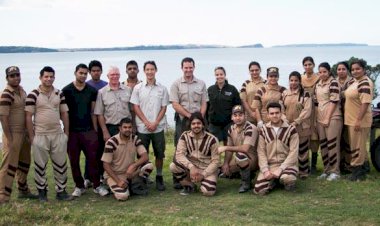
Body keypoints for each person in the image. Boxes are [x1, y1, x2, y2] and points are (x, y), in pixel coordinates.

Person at [25, 66, 72, 202]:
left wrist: (66, 133)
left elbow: (64, 113)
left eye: (51, 76)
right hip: (40, 135)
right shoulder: (33, 94)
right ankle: (42, 193)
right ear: (40, 78)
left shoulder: (59, 93)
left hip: (57, 134)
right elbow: (28, 116)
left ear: (54, 77)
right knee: (40, 166)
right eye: (46, 76)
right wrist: (32, 136)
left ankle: (61, 192)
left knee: (61, 165)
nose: (49, 79)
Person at [62, 64, 109, 197]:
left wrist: (95, 130)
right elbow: (63, 112)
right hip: (72, 131)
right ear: (75, 73)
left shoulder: (92, 91)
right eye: (80, 73)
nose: (83, 75)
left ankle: (97, 185)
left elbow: (93, 112)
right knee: (74, 160)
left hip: (88, 130)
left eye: (85, 73)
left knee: (93, 159)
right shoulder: (66, 90)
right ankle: (79, 186)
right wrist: (65, 130)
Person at [130, 61, 169, 191]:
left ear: (156, 70)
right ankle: (143, 177)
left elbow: (164, 107)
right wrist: (146, 122)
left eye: (152, 69)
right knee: (142, 155)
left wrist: (156, 122)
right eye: (147, 69)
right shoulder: (138, 88)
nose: (150, 72)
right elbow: (136, 107)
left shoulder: (162, 88)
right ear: (144, 71)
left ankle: (159, 176)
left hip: (157, 127)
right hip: (142, 127)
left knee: (159, 153)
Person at [169, 57, 208, 189]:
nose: (188, 70)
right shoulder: (176, 84)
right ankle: (178, 178)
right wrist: (189, 116)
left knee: (200, 146)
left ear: (194, 67)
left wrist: (200, 118)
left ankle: (202, 175)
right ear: (182, 68)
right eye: (186, 67)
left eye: (190, 67)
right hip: (183, 119)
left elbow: (204, 102)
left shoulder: (201, 83)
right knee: (180, 148)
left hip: (199, 119)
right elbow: (174, 103)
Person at [0, 66, 37, 204]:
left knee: (24, 162)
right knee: (9, 164)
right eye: (12, 75)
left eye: (17, 75)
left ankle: (23, 189)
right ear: (7, 78)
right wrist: (9, 138)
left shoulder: (21, 91)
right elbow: (3, 118)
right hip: (13, 134)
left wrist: (29, 131)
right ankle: (3, 195)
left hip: (24, 132)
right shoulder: (6, 94)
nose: (15, 77)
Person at [101, 118, 153, 201]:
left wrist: (134, 165)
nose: (127, 129)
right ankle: (115, 186)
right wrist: (118, 181)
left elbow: (145, 156)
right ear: (120, 128)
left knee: (149, 165)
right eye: (125, 127)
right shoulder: (111, 142)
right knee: (123, 196)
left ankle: (134, 185)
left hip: (129, 172)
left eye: (129, 127)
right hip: (115, 174)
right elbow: (105, 165)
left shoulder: (135, 139)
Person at [169, 112, 220, 196]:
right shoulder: (184, 136)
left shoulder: (212, 139)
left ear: (203, 125)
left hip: (206, 168)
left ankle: (204, 182)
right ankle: (190, 185)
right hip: (191, 168)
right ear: (190, 125)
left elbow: (216, 161)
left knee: (208, 192)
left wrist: (203, 175)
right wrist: (191, 167)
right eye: (193, 123)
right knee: (173, 166)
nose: (196, 126)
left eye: (199, 123)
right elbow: (179, 155)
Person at [253, 102, 299, 195]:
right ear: (268, 115)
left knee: (288, 178)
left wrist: (281, 169)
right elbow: (261, 152)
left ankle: (281, 180)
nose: (275, 115)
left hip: (287, 165)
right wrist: (265, 170)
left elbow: (294, 153)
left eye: (277, 113)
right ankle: (274, 180)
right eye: (272, 113)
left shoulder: (291, 129)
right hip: (270, 165)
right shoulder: (264, 130)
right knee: (259, 189)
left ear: (281, 113)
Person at [218, 105, 259, 193]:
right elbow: (229, 150)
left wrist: (225, 147)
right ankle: (242, 174)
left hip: (253, 159)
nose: (238, 118)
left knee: (240, 157)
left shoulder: (251, 128)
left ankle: (246, 183)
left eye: (240, 115)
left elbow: (245, 149)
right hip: (239, 157)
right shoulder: (231, 128)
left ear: (245, 116)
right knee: (221, 169)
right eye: (235, 115)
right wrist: (225, 164)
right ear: (232, 117)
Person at [344, 59, 373, 181]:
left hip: (359, 120)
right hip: (351, 119)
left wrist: (358, 120)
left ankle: (357, 172)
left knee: (357, 147)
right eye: (353, 69)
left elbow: (365, 103)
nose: (355, 71)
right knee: (359, 145)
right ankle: (365, 167)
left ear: (364, 69)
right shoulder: (356, 81)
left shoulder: (365, 82)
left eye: (358, 69)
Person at [314, 62, 342, 181]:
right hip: (320, 119)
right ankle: (326, 170)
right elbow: (316, 103)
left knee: (332, 145)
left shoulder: (334, 82)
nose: (322, 74)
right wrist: (317, 119)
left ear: (329, 72)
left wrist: (327, 118)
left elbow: (334, 101)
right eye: (320, 72)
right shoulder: (318, 84)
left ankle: (335, 172)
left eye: (324, 72)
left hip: (333, 118)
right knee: (324, 145)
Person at [282, 71, 312, 178]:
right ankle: (291, 170)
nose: (293, 82)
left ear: (299, 81)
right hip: (288, 127)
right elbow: (281, 109)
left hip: (302, 126)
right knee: (290, 150)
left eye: (296, 80)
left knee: (302, 150)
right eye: (291, 80)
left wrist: (296, 122)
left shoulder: (305, 93)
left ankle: (304, 172)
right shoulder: (285, 93)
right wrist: (285, 121)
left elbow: (307, 110)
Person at [83, 60, 108, 189]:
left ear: (101, 71)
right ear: (89, 72)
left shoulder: (106, 85)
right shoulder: (86, 86)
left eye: (98, 70)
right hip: (89, 124)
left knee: (103, 151)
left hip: (103, 123)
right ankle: (87, 177)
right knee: (90, 152)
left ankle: (102, 174)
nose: (96, 73)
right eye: (93, 71)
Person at [94, 66, 132, 141]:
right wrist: (105, 131)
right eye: (112, 75)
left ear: (120, 75)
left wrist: (133, 127)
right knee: (112, 151)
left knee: (127, 151)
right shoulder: (102, 92)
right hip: (111, 128)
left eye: (117, 74)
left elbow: (132, 110)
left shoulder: (128, 90)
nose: (115, 76)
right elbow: (100, 114)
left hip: (127, 127)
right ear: (108, 76)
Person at [207, 67, 241, 145]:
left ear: (225, 75)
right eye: (217, 75)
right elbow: (206, 106)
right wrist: (207, 121)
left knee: (229, 146)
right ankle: (215, 158)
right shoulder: (210, 89)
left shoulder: (232, 89)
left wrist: (236, 119)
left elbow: (238, 106)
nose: (219, 76)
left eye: (221, 74)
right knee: (213, 146)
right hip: (214, 124)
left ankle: (228, 158)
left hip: (229, 123)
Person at [301, 56, 320, 174]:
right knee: (303, 136)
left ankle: (313, 165)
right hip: (303, 109)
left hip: (316, 109)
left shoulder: (318, 77)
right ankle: (303, 164)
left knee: (314, 136)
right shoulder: (301, 77)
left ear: (313, 65)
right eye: (305, 65)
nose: (308, 67)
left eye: (310, 64)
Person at [336, 61, 354, 173]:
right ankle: (340, 164)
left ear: (347, 70)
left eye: (343, 69)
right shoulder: (334, 81)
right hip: (337, 114)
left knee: (349, 140)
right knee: (339, 140)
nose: (341, 71)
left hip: (349, 114)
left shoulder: (352, 81)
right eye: (339, 69)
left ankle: (350, 164)